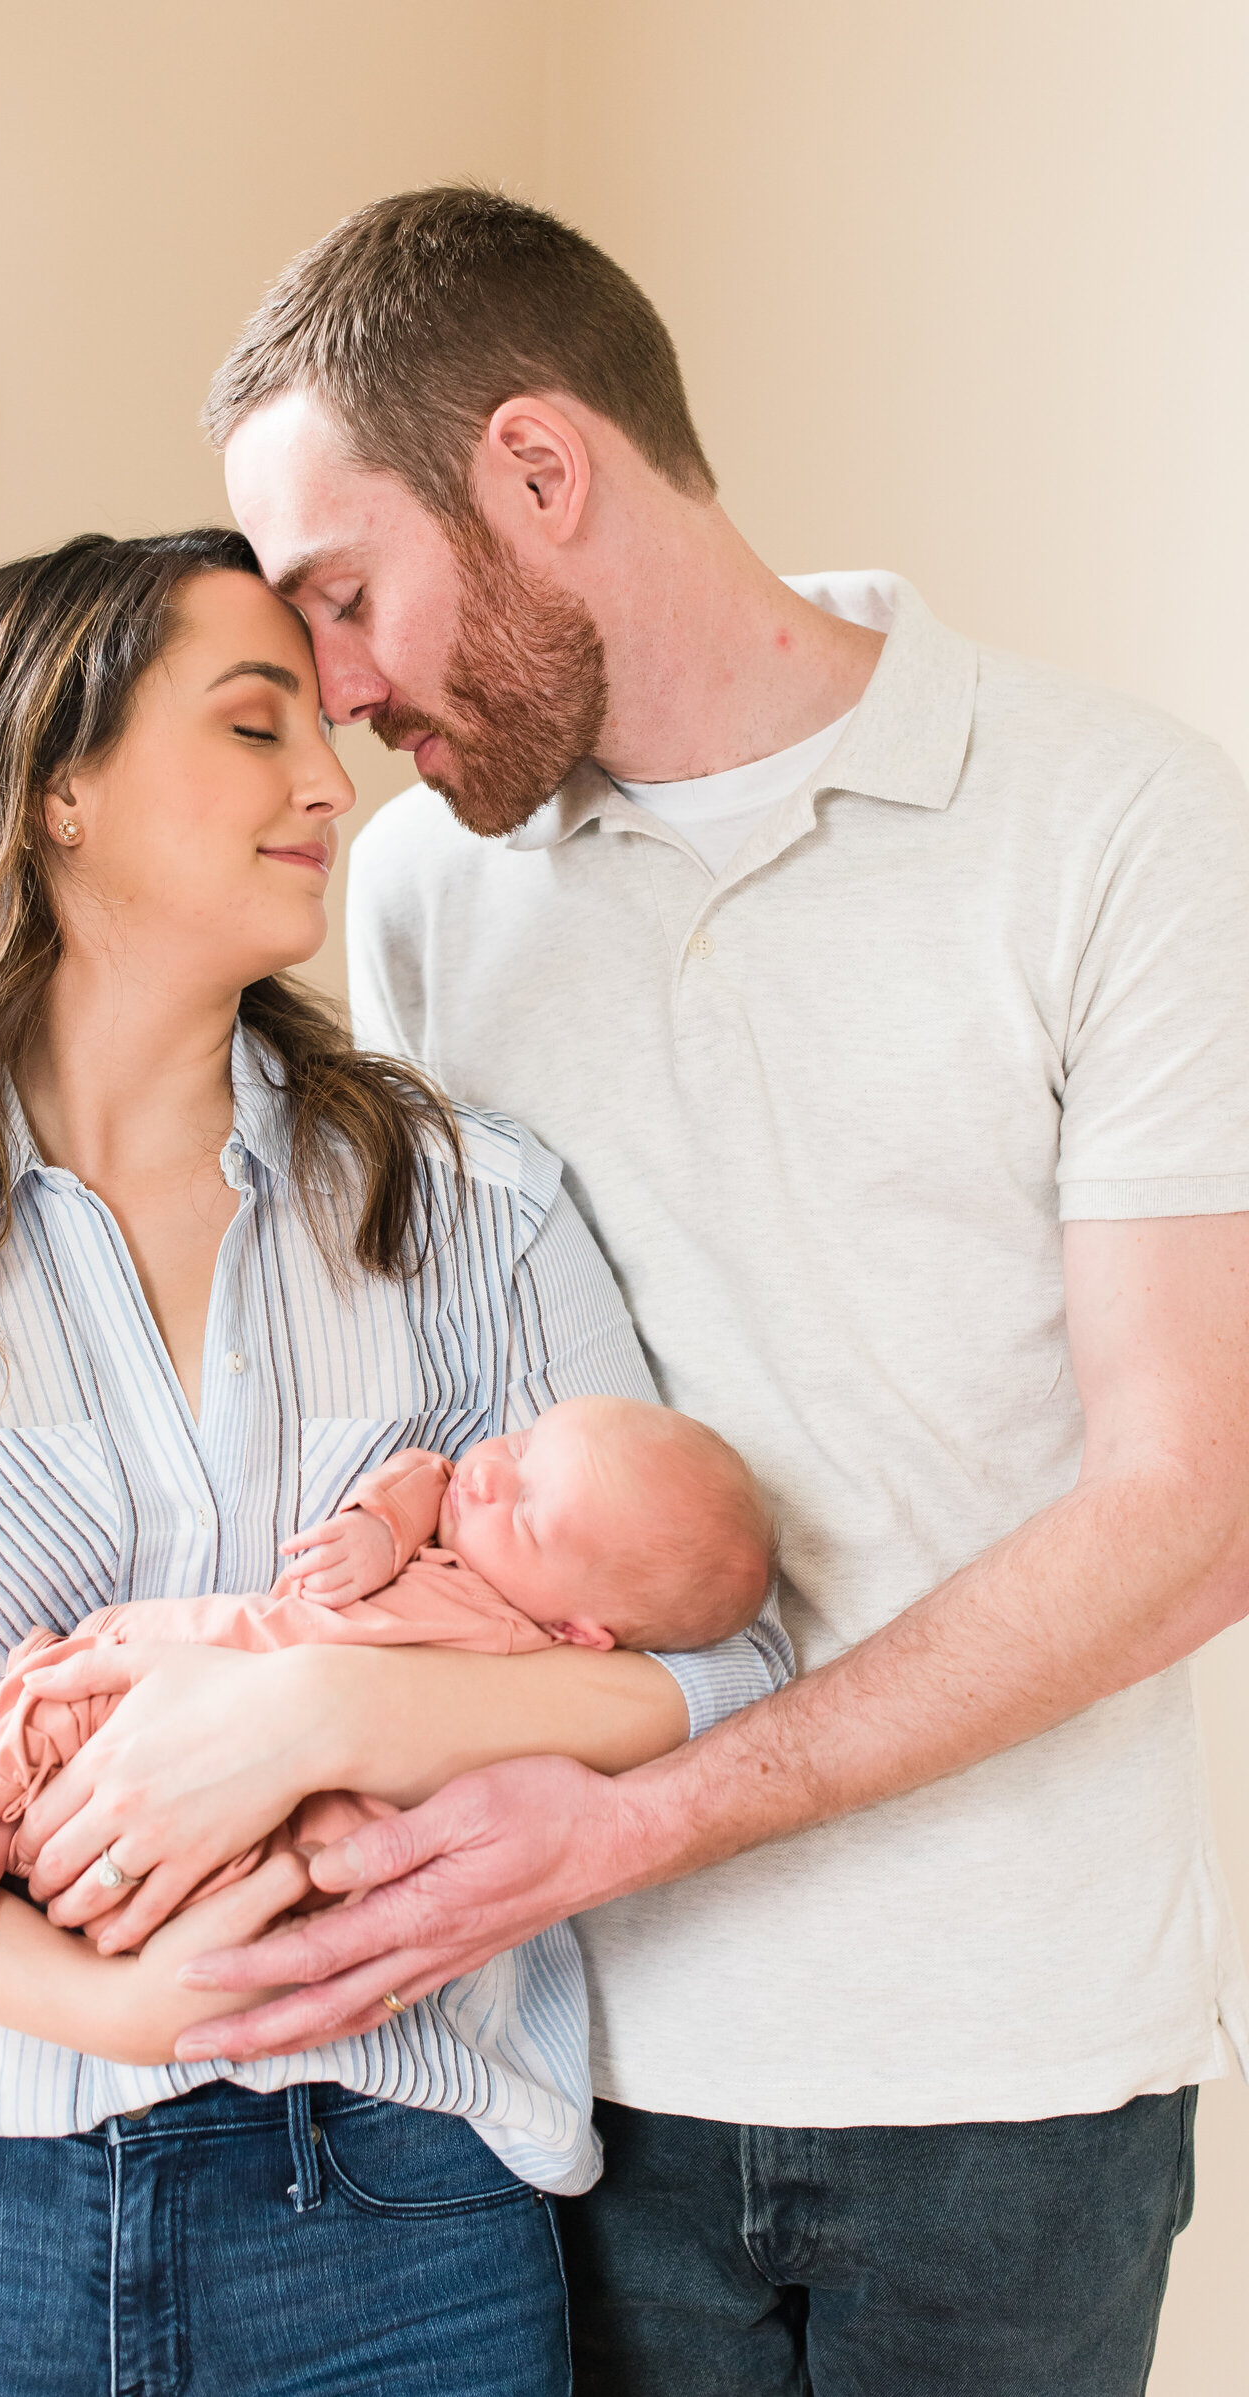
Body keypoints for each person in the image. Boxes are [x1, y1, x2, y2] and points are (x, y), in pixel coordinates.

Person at [150, 187, 1249, 2394]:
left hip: (1006, 2066)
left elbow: (1189, 1506)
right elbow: (446, 1418)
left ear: (541, 472)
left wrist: (636, 1818)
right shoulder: (425, 895)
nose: (338, 699)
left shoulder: (1114, 821)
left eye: (348, 597)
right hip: (571, 2058)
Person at [0, 527, 790, 2397]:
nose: (329, 782)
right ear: (56, 789)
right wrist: (98, 1999)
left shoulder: (474, 1205)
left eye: (318, 735)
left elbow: (716, 1668)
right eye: (253, 727)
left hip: (395, 2226)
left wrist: (328, 1711)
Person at [0, 1397, 779, 1951]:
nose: (490, 1473)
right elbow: (428, 1475)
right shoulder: (442, 1526)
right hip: (201, 1670)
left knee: (65, 1698)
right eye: (523, 1444)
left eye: (527, 1508)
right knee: (59, 1699)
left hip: (259, 1810)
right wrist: (376, 1527)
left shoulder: (534, 1660)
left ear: (584, 1626)